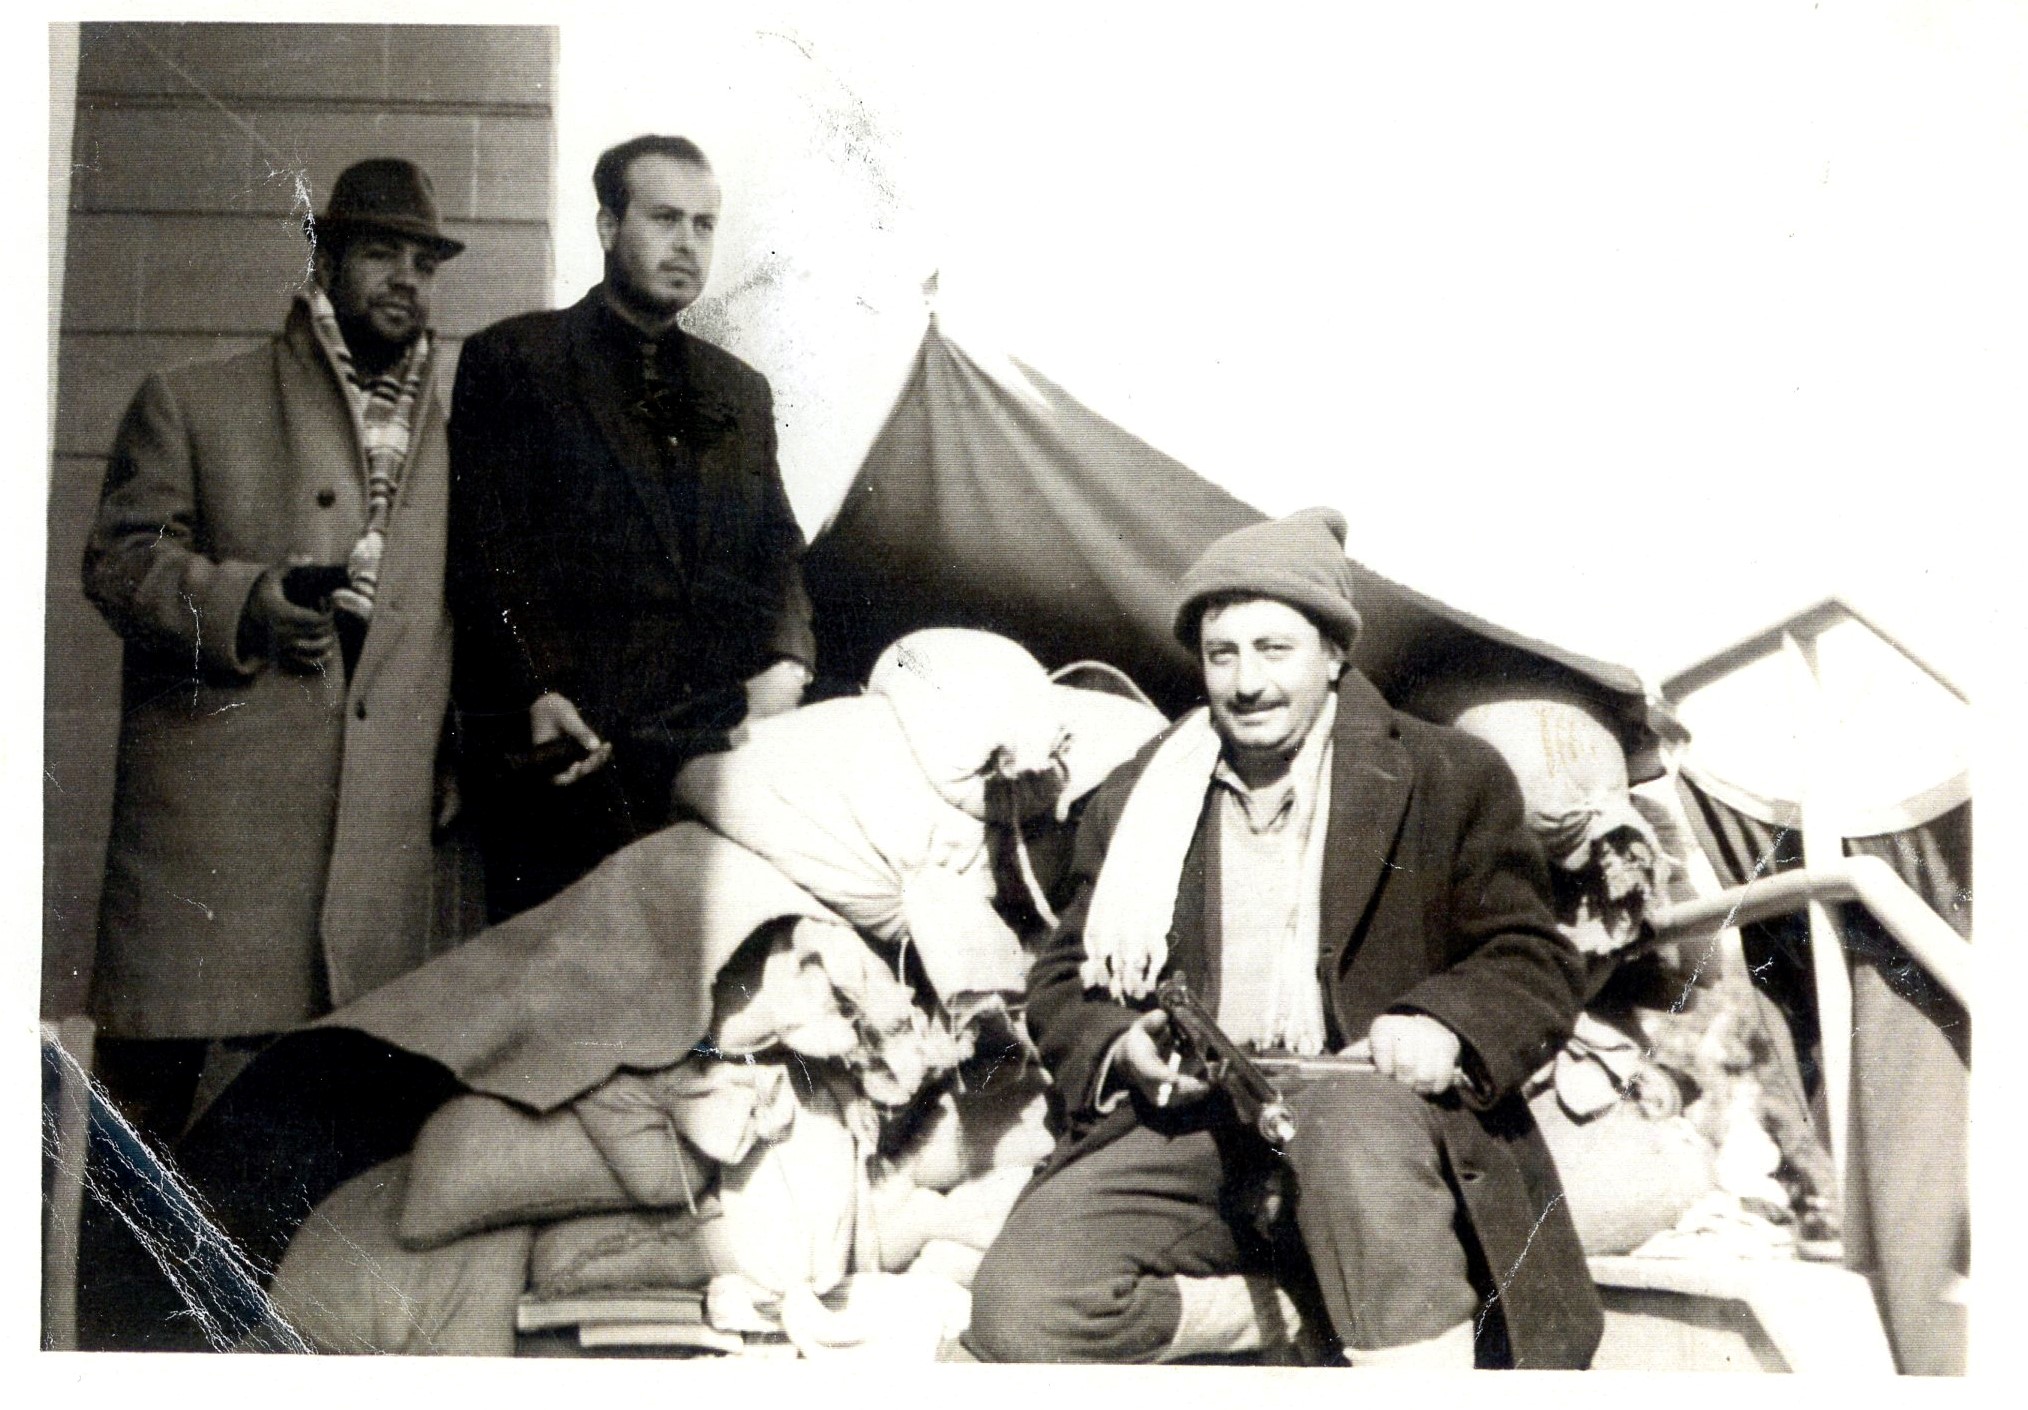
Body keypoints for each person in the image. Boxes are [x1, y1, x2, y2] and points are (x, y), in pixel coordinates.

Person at [966, 508, 1603, 1369]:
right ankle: (1295, 1314)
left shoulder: (1446, 775)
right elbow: (1064, 976)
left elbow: (1531, 957)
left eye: (1274, 650)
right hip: (1202, 1117)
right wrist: (1122, 1045)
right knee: (1023, 1305)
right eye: (1222, 654)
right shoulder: (1141, 793)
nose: (1247, 683)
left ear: (1334, 654)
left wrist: (1442, 1023)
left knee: (1352, 1144)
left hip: (1373, 1105)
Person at [81, 158, 464, 1145]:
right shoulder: (193, 399)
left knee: (306, 1160)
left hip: (366, 861)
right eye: (380, 253)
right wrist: (246, 604)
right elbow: (120, 563)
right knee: (140, 1146)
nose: (406, 280)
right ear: (325, 260)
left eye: (424, 262)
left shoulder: (456, 438)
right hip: (209, 854)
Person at [448, 134, 814, 920]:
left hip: (709, 761)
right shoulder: (515, 360)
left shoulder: (738, 392)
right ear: (608, 226)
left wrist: (788, 661)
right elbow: (482, 551)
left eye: (705, 225)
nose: (687, 243)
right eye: (665, 218)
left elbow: (777, 544)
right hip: (569, 756)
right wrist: (535, 687)